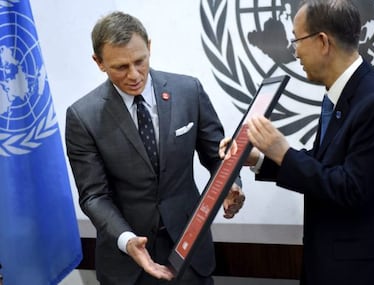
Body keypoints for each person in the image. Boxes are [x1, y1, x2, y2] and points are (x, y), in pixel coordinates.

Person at [220, 0, 374, 284]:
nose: (294, 51)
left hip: (363, 274)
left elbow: (351, 187)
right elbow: (326, 164)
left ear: (323, 41)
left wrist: (283, 153)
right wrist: (261, 159)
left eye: (296, 39)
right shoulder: (343, 95)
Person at [65, 11, 244, 285]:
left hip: (190, 253)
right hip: (127, 266)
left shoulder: (188, 91)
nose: (134, 75)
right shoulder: (83, 116)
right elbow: (94, 196)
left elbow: (216, 154)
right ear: (98, 62)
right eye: (120, 67)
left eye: (140, 61)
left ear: (149, 46)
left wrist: (231, 183)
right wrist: (127, 240)